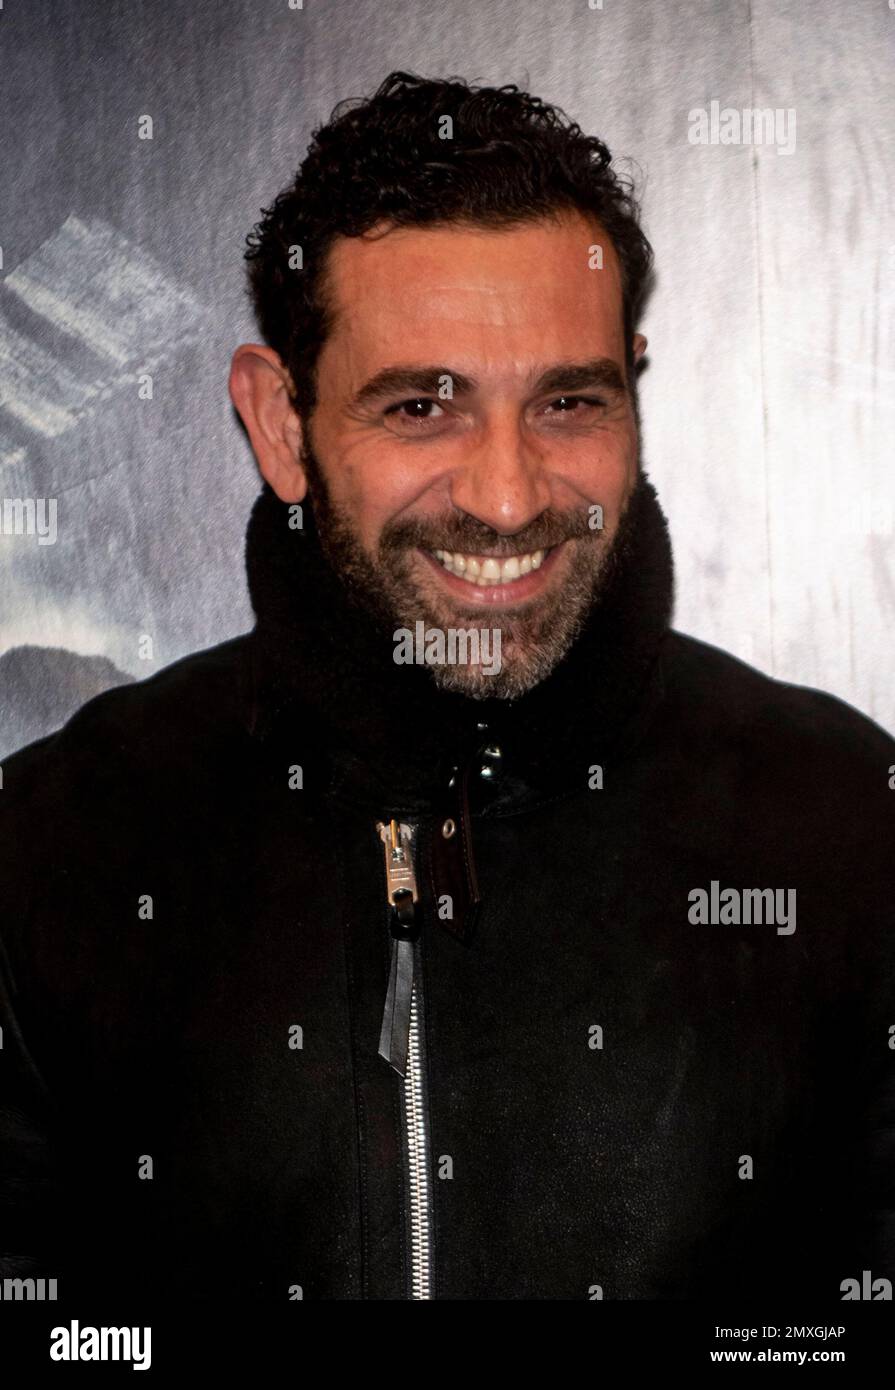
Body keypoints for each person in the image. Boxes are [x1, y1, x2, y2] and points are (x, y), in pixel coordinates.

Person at [0, 70, 892, 1303]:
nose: (508, 497)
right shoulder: (52, 849)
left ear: (633, 392)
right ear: (280, 425)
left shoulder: (848, 823)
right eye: (422, 406)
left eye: (567, 401)